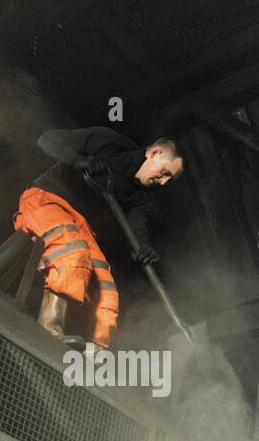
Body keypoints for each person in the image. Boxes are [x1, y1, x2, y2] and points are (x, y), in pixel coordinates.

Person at [14, 127, 184, 349]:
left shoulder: (142, 198)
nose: (163, 182)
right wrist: (79, 161)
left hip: (79, 225)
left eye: (168, 180)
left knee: (106, 290)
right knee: (73, 253)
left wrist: (144, 247)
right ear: (154, 153)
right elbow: (46, 139)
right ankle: (49, 331)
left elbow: (137, 227)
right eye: (165, 173)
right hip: (46, 200)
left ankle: (97, 355)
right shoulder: (109, 142)